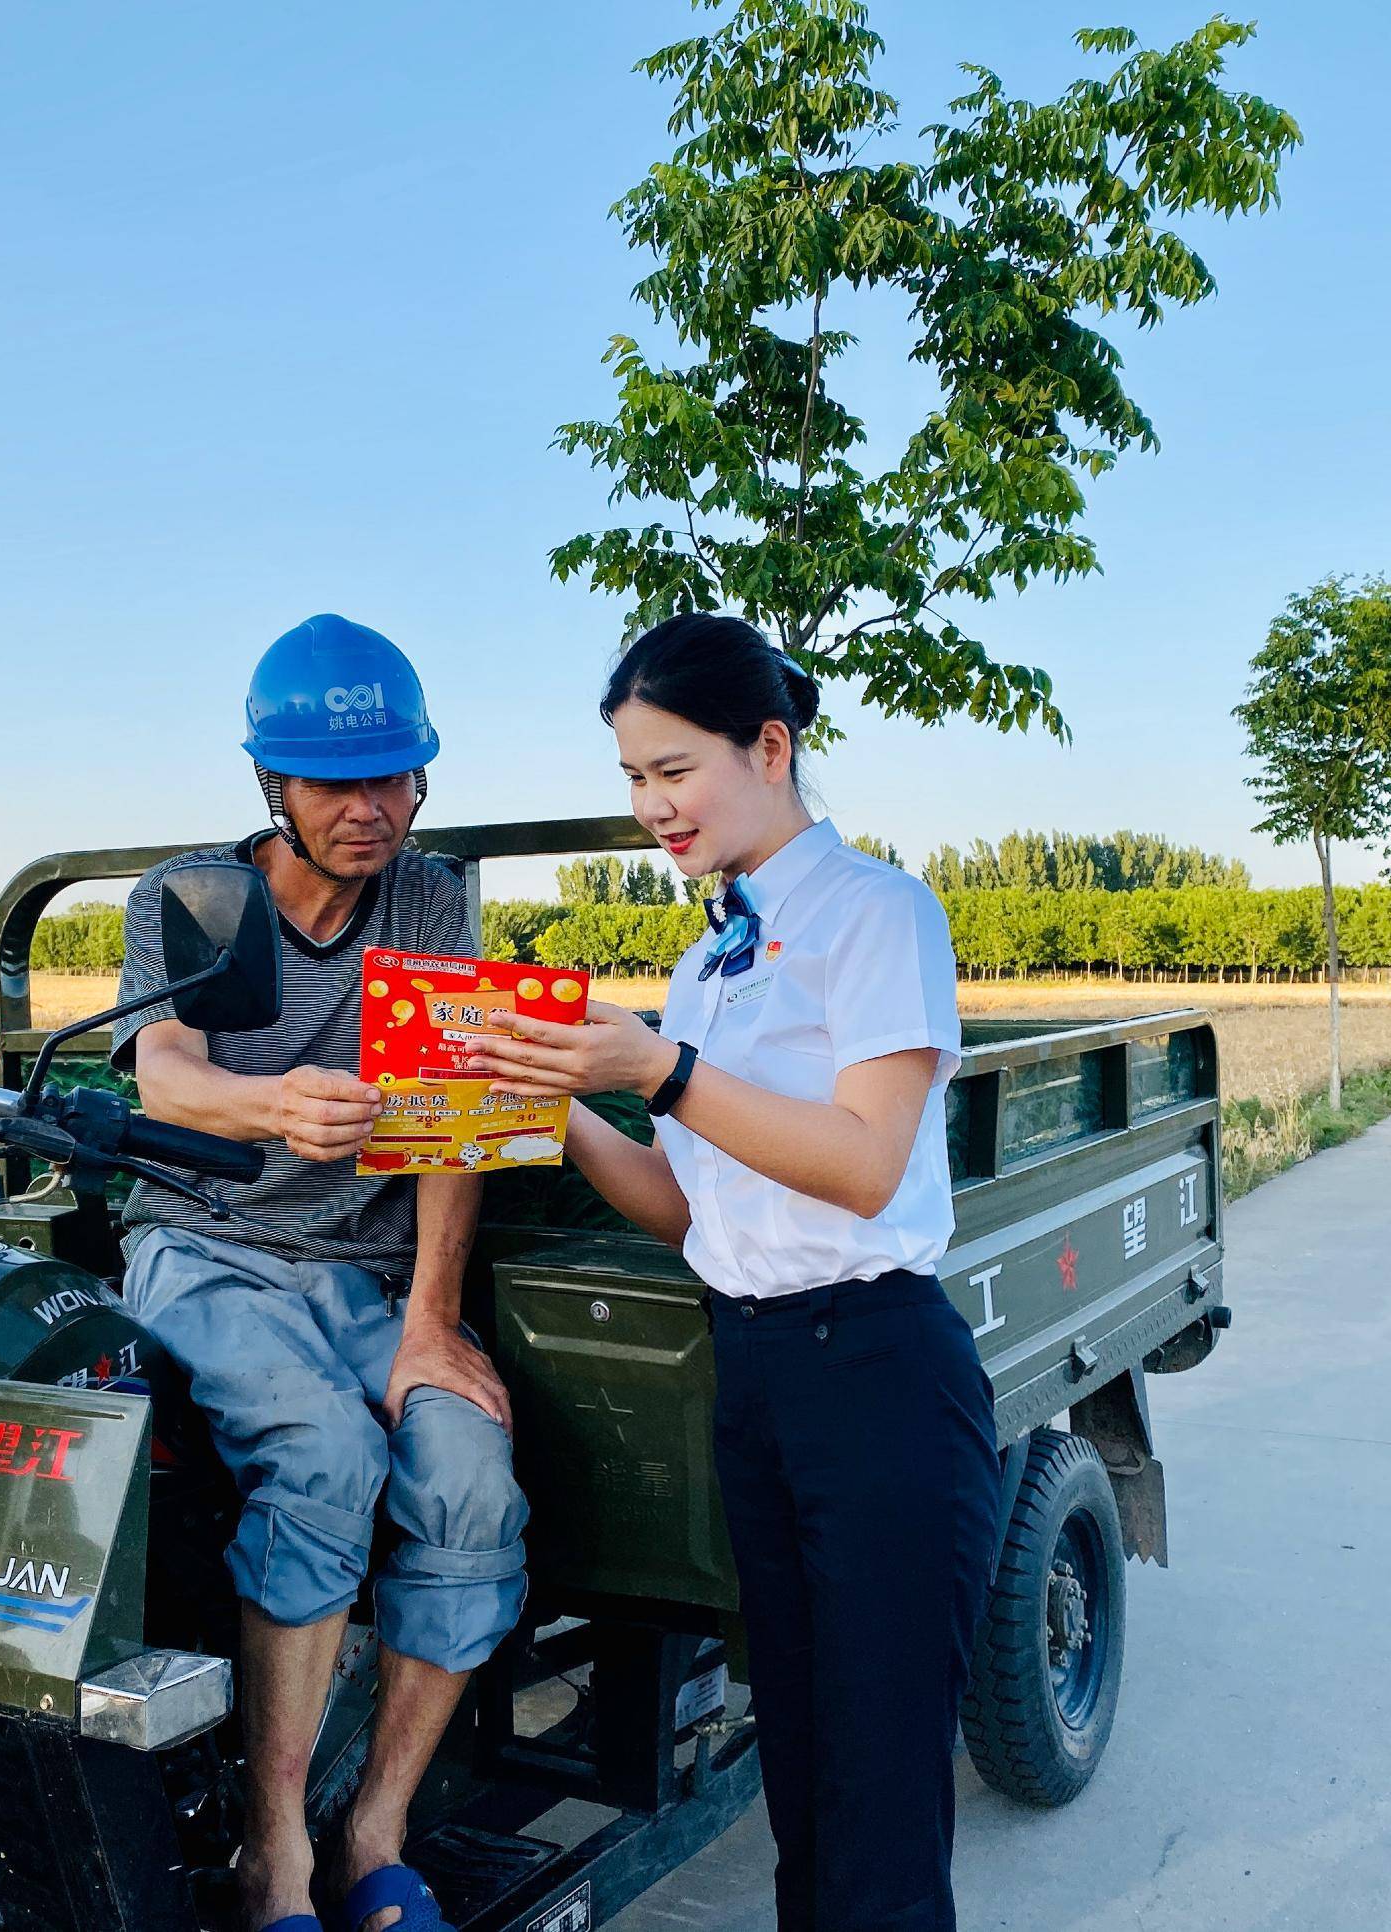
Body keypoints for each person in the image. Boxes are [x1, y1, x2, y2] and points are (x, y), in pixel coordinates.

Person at [464, 612, 1003, 1932]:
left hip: (876, 1373)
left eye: (674, 771)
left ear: (770, 747)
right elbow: (687, 1210)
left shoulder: (879, 914)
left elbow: (869, 1165)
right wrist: (556, 1106)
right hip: (755, 1378)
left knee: (879, 1793)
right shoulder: (709, 959)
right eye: (633, 781)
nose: (652, 808)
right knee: (804, 1780)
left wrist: (657, 1070)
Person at [112, 614, 525, 1932]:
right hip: (205, 1243)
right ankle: (275, 1851)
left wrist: (430, 1325)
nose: (372, 808)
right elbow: (163, 1069)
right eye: (339, 784)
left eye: (396, 777)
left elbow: (456, 1118)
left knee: (465, 1473)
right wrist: (271, 1104)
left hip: (369, 1272)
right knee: (323, 1455)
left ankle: (378, 1831)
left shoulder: (432, 898)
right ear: (272, 791)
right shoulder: (190, 898)